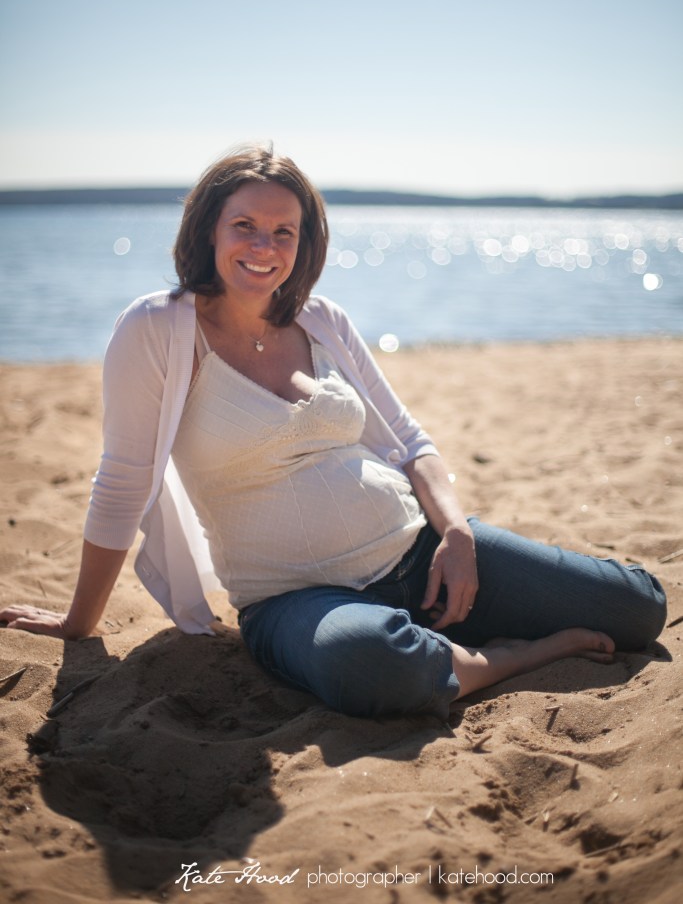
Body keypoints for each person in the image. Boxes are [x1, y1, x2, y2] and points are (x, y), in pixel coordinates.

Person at [0, 145, 667, 719]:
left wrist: (456, 536)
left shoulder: (323, 320)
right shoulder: (157, 329)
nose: (263, 246)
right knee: (381, 670)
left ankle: (458, 638)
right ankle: (513, 655)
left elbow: (410, 443)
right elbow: (122, 480)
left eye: (283, 232)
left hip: (420, 552)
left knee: (638, 611)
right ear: (208, 231)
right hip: (295, 599)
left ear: (304, 241)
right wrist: (77, 622)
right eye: (245, 226)